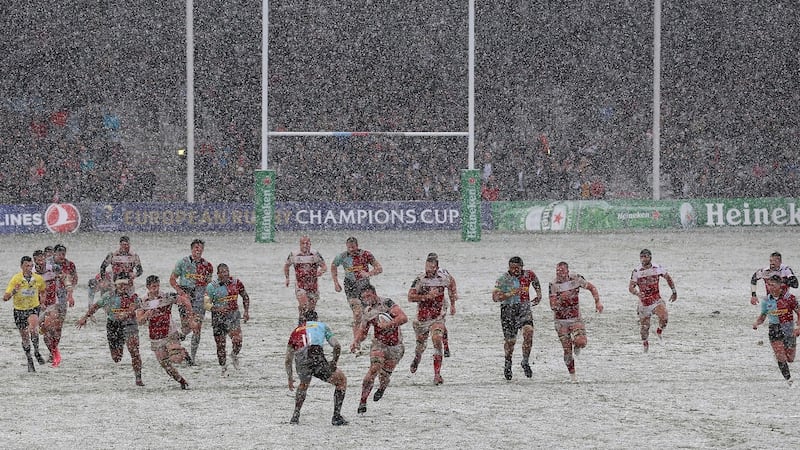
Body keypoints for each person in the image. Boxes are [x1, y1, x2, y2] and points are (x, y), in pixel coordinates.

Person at [76, 273, 144, 386]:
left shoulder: (133, 296)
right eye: (120, 284)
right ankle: (121, 343)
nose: (123, 287)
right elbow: (96, 306)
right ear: (115, 285)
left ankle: (138, 377)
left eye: (125, 284)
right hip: (113, 325)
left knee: (134, 351)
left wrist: (125, 314)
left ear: (128, 285)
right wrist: (85, 317)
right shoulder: (109, 296)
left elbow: (133, 308)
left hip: (129, 324)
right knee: (117, 358)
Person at [351, 285, 408, 414]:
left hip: (395, 346)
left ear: (375, 294)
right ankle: (362, 401)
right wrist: (356, 341)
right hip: (379, 344)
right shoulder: (368, 311)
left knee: (385, 375)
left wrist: (389, 324)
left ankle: (382, 388)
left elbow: (403, 318)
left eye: (369, 296)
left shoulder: (387, 303)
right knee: (374, 368)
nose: (367, 299)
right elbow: (364, 332)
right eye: (364, 297)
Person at [285, 310, 348, 426]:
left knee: (303, 384)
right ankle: (336, 416)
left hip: (300, 359)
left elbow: (288, 359)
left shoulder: (295, 331)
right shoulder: (322, 326)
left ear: (304, 321)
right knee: (341, 381)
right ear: (316, 319)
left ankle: (295, 415)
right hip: (315, 355)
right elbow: (337, 345)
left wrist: (290, 377)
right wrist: (334, 362)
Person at [135, 275, 193, 389]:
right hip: (155, 335)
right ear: (147, 287)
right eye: (152, 287)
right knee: (165, 364)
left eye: (157, 286)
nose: (155, 289)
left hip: (170, 331)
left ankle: (182, 353)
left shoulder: (166, 296)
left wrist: (190, 318)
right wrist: (146, 315)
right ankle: (182, 381)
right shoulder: (142, 301)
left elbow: (185, 301)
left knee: (176, 358)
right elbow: (139, 321)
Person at [548, 261, 603, 383]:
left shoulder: (576, 279)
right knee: (567, 350)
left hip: (575, 318)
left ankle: (577, 345)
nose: (559, 274)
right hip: (561, 320)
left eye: (562, 271)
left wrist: (597, 302)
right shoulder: (553, 284)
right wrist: (561, 298)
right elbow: (552, 306)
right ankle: (573, 376)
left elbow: (592, 287)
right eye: (557, 271)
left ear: (567, 271)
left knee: (582, 342)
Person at [407, 253, 457, 384]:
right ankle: (417, 359)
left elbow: (452, 285)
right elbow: (410, 297)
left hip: (437, 317)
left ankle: (437, 374)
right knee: (420, 346)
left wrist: (453, 304)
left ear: (437, 268)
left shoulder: (444, 277)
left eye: (432, 268)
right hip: (422, 318)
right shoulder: (420, 279)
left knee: (437, 339)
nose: (429, 270)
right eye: (427, 267)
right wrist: (427, 296)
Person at [330, 236, 382, 345]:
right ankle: (356, 342)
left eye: (353, 247)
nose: (351, 250)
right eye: (349, 247)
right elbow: (333, 265)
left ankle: (378, 337)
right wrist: (335, 282)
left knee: (373, 313)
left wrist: (369, 273)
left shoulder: (366, 254)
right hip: (351, 286)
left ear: (357, 246)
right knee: (357, 314)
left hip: (365, 287)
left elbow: (379, 268)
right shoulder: (343, 256)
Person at [169, 238, 214, 364]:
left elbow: (209, 285)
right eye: (196, 248)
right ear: (192, 249)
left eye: (200, 248)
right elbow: (172, 280)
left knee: (197, 327)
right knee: (187, 327)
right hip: (186, 295)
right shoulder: (182, 263)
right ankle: (180, 337)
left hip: (200, 296)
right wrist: (181, 292)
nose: (198, 250)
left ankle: (193, 358)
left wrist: (208, 299)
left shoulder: (207, 266)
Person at [753, 275, 800, 385]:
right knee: (780, 356)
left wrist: (798, 328)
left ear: (780, 286)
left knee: (790, 358)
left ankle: (784, 358)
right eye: (769, 285)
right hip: (774, 329)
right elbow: (763, 316)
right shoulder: (765, 300)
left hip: (788, 329)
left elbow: (799, 313)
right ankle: (789, 380)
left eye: (773, 285)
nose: (770, 287)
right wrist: (757, 323)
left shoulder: (790, 298)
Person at [205, 263, 251, 376]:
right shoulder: (212, 286)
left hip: (233, 316)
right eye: (222, 272)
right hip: (218, 319)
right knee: (220, 346)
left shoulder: (236, 283)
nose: (225, 274)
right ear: (218, 274)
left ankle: (234, 355)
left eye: (227, 271)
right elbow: (206, 304)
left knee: (238, 341)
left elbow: (245, 296)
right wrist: (218, 308)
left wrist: (246, 312)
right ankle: (223, 368)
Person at [628, 248, 677, 352]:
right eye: (641, 257)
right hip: (644, 303)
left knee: (664, 318)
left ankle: (659, 332)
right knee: (645, 328)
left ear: (650, 257)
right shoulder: (637, 271)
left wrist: (674, 291)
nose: (643, 259)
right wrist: (637, 293)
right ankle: (645, 347)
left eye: (645, 257)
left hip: (656, 299)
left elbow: (668, 278)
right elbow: (631, 287)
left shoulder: (657, 268)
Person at [3, 255, 46, 372]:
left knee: (33, 329)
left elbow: (43, 291)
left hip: (33, 308)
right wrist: (14, 291)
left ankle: (37, 351)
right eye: (26, 266)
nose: (29, 268)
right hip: (19, 310)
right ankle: (29, 360)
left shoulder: (38, 278)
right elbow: (5, 298)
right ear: (21, 266)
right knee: (25, 337)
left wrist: (42, 302)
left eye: (30, 266)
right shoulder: (15, 279)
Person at [502, 257, 542, 378]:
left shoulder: (528, 274)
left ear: (522, 267)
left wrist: (539, 294)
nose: (514, 271)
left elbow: (535, 281)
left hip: (524, 308)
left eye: (517, 268)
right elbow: (496, 295)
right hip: (508, 310)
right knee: (510, 342)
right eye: (512, 268)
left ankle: (525, 361)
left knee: (529, 332)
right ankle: (508, 362)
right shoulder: (504, 279)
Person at [39, 244, 77, 367]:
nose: (62, 256)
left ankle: (53, 351)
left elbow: (74, 279)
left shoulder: (70, 264)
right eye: (59, 254)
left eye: (63, 254)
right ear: (54, 254)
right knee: (46, 327)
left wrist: (69, 292)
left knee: (58, 328)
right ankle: (53, 351)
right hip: (47, 300)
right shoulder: (48, 264)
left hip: (61, 299)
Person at [283, 235, 327, 322]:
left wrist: (321, 271)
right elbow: (286, 266)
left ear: (310, 244)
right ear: (300, 244)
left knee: (311, 310)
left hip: (313, 285)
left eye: (307, 243)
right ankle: (301, 322)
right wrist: (287, 278)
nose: (305, 245)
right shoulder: (294, 254)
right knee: (304, 305)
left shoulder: (315, 254)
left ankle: (310, 325)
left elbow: (324, 266)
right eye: (303, 243)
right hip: (300, 285)